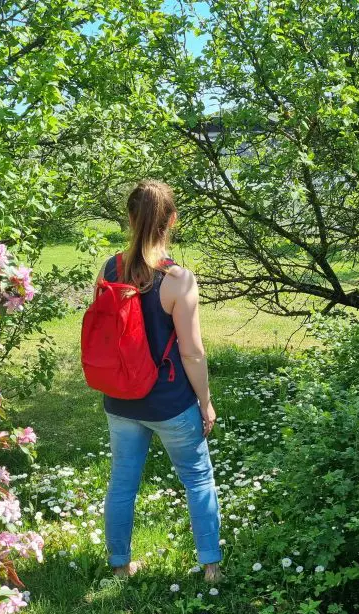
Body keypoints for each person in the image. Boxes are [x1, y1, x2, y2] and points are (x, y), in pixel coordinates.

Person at [95, 180, 222, 583]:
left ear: (130, 218)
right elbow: (192, 352)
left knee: (122, 482)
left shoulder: (109, 268)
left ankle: (120, 566)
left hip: (121, 399)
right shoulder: (178, 279)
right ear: (173, 220)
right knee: (198, 477)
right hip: (169, 401)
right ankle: (211, 568)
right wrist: (204, 401)